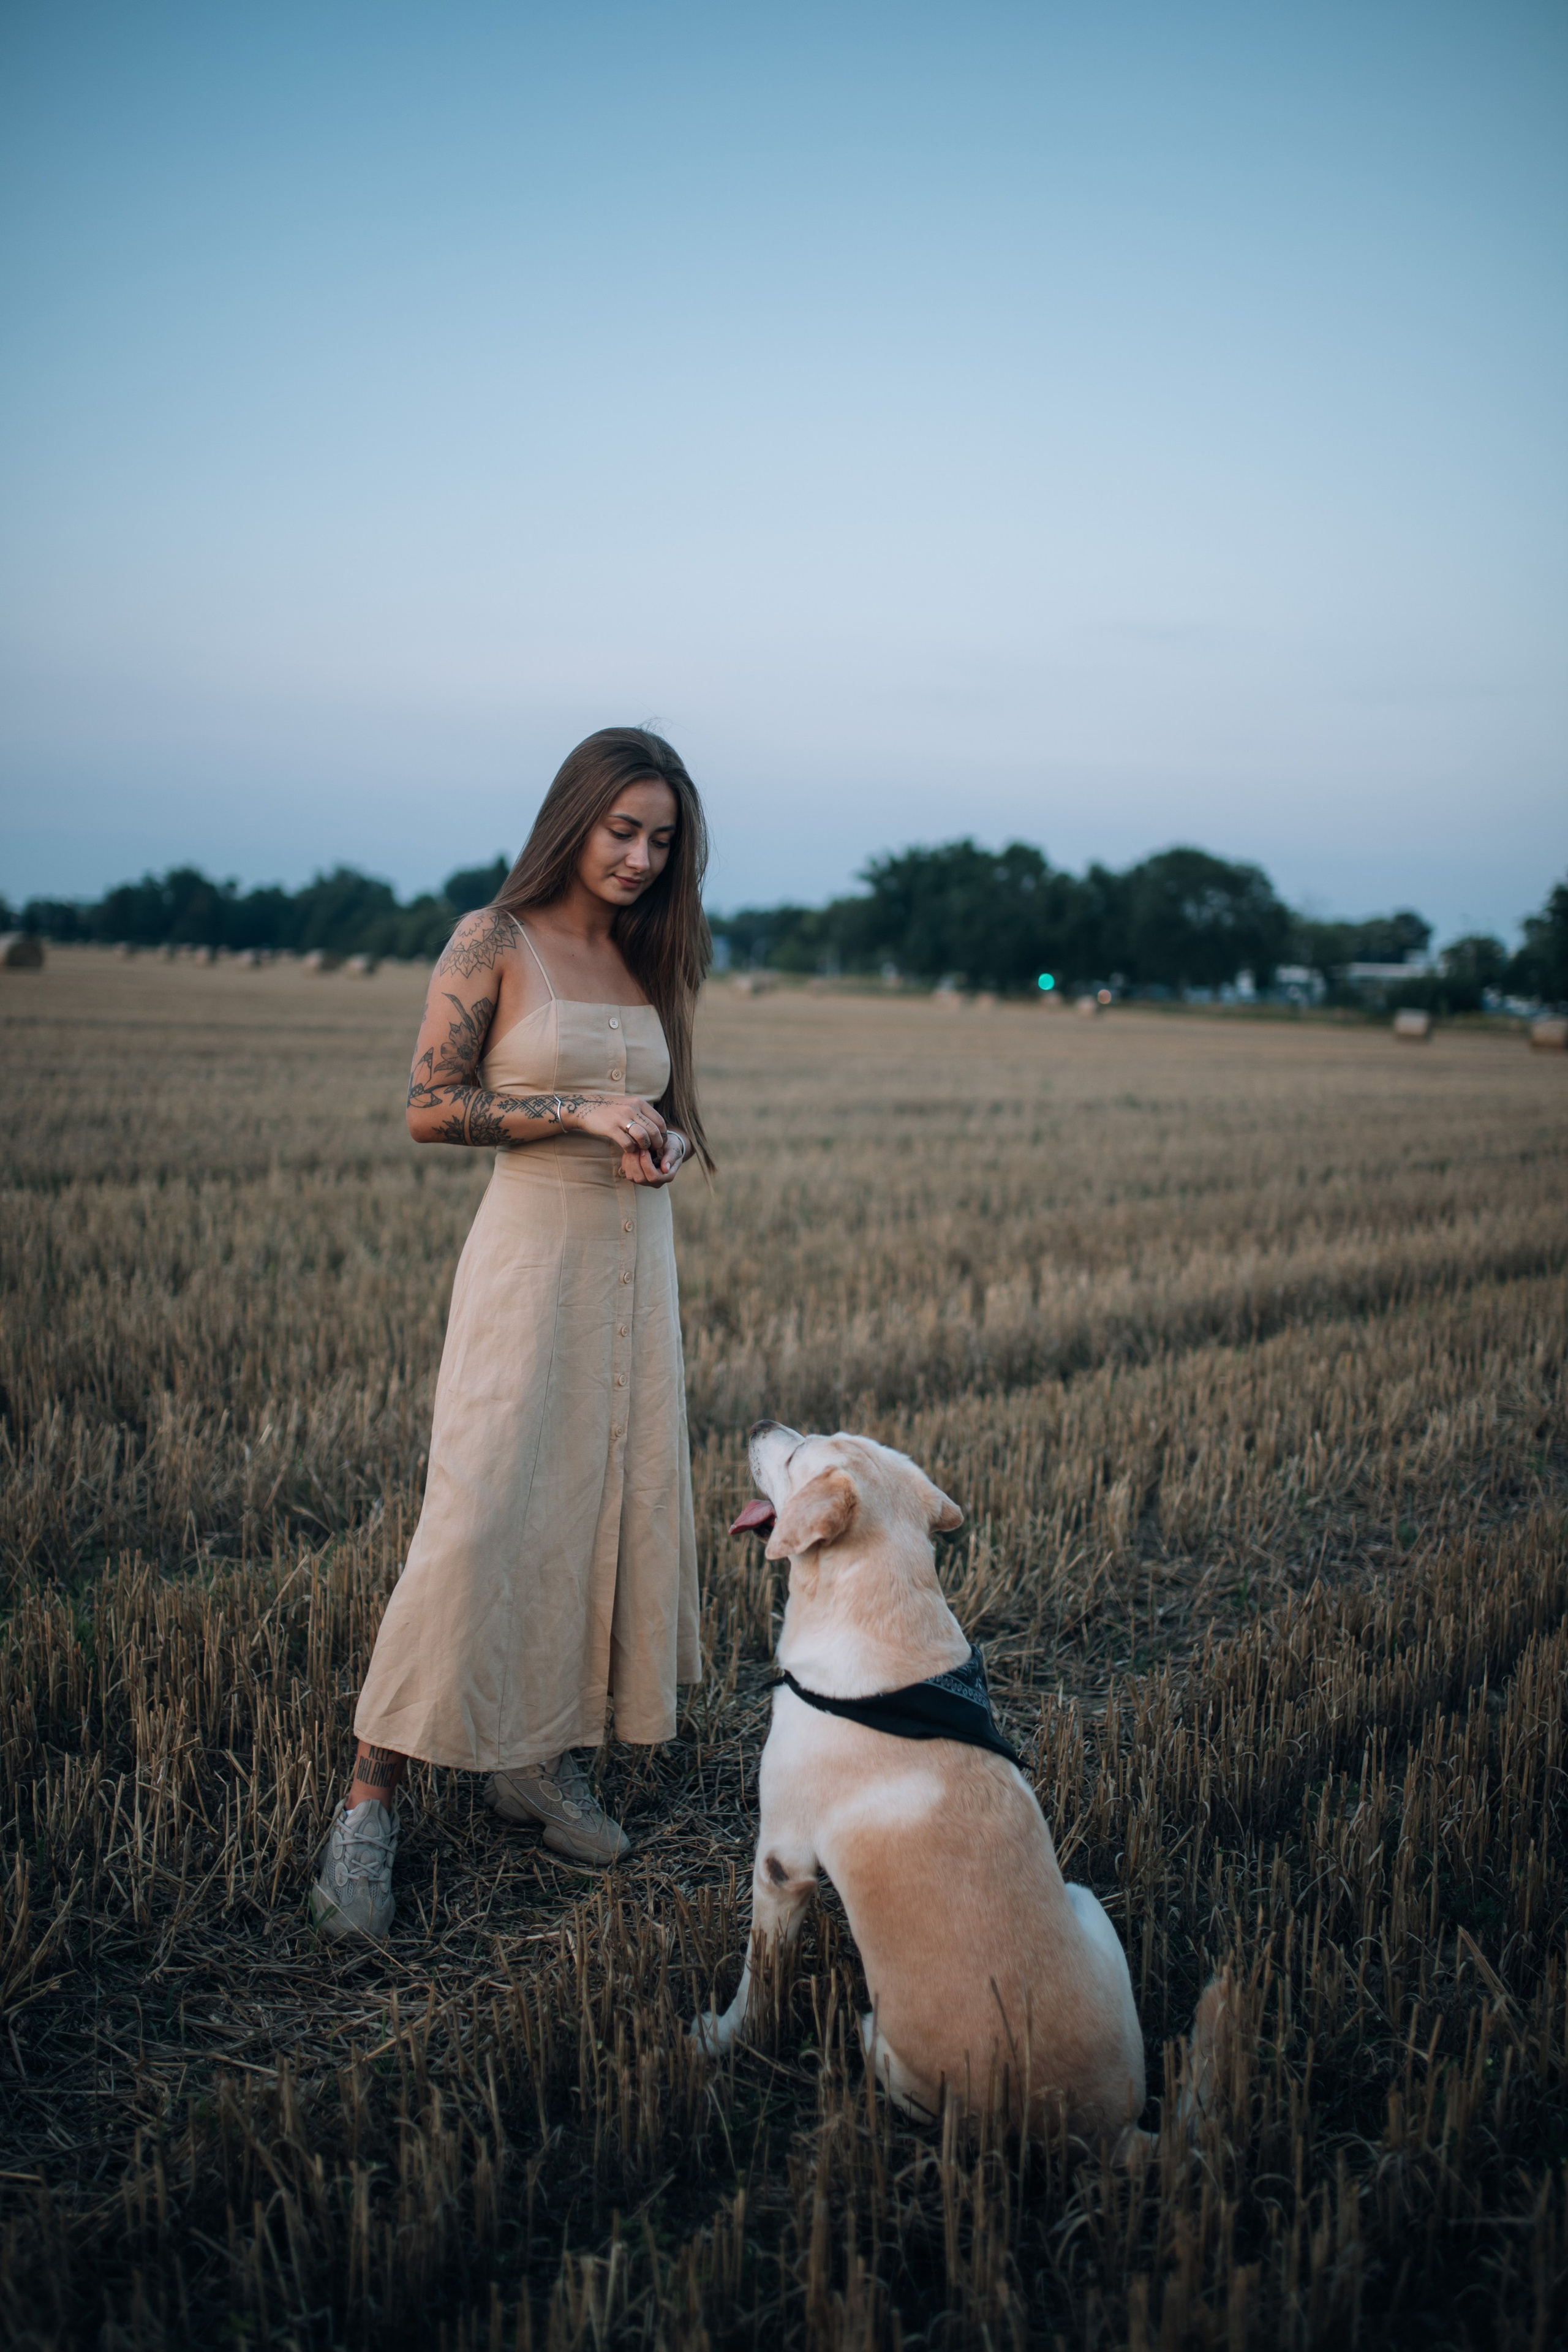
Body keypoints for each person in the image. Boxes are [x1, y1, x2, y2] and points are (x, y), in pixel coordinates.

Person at [309, 727, 712, 1943]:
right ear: (573, 819)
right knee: (478, 1517)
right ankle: (368, 1804)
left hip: (633, 1266)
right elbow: (431, 1109)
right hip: (528, 1260)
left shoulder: (649, 951)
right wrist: (575, 1110)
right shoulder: (493, 940)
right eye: (622, 831)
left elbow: (661, 1109)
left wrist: (668, 1141)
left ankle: (532, 1762)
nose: (641, 858)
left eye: (662, 840)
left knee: (598, 1507)